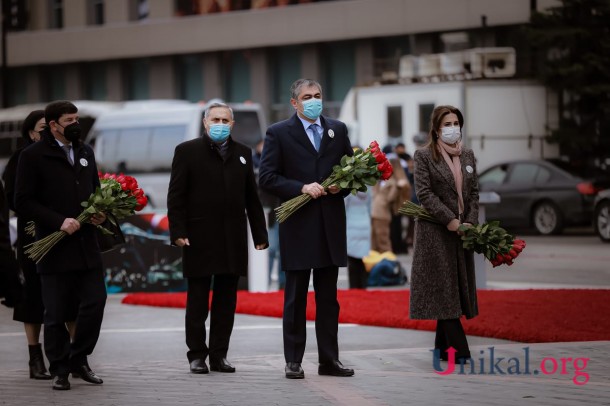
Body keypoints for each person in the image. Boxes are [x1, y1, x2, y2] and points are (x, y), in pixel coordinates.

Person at [259, 78, 355, 379]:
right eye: (307, 97)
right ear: (294, 103)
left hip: (330, 227)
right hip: (298, 226)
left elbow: (351, 172)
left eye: (317, 95)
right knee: (296, 297)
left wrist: (341, 186)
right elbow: (267, 177)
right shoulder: (278, 133)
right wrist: (301, 187)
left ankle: (329, 360)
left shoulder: (337, 129)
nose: (314, 101)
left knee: (328, 299)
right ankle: (293, 360)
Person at [167, 102, 268, 375]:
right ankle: (197, 355)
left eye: (225, 120)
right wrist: (178, 232)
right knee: (198, 301)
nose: (220, 124)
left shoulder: (243, 153)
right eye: (215, 119)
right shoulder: (186, 151)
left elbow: (252, 197)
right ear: (205, 122)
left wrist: (259, 234)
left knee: (226, 301)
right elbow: (176, 196)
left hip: (232, 238)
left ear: (232, 125)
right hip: (198, 237)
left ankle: (219, 355)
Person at [14, 101, 108, 391]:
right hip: (53, 247)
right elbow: (23, 202)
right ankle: (60, 369)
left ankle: (78, 358)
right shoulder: (32, 156)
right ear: (53, 125)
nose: (75, 124)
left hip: (86, 245)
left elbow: (94, 190)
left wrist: (100, 213)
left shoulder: (85, 151)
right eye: (69, 120)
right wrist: (58, 221)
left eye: (77, 119)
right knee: (55, 313)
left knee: (95, 303)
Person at [3, 110, 77, 380]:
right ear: (31, 133)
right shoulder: (22, 158)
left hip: (66, 232)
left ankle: (76, 357)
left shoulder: (68, 153)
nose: (49, 132)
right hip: (33, 233)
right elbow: (15, 199)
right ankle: (35, 356)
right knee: (33, 295)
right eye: (43, 128)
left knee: (70, 295)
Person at [409, 105, 479, 363]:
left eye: (456, 123)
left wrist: (469, 222)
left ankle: (442, 350)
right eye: (447, 124)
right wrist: (449, 220)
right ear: (436, 129)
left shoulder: (468, 155)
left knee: (451, 289)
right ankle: (460, 352)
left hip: (462, 232)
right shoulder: (424, 156)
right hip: (435, 233)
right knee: (445, 289)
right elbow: (424, 193)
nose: (452, 128)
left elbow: (473, 193)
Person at [252, 138, 285, 290]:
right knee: (270, 249)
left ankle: (282, 283)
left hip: (282, 210)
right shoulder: (255, 163)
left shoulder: (280, 162)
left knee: (283, 249)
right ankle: (265, 281)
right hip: (268, 212)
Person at [371, 158, 410, 253]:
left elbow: (391, 198)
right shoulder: (383, 179)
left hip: (383, 211)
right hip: (376, 210)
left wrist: (397, 188)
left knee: (382, 237)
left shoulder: (394, 182)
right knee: (375, 236)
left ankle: (387, 256)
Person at [345, 189, 372, 289]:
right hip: (364, 222)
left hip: (351, 223)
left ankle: (354, 285)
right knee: (360, 259)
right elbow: (370, 206)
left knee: (352, 259)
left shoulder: (349, 190)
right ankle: (363, 284)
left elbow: (344, 205)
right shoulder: (368, 189)